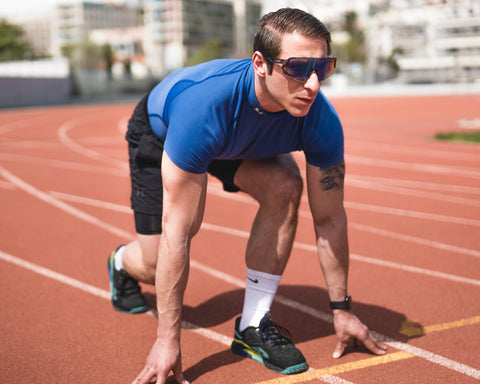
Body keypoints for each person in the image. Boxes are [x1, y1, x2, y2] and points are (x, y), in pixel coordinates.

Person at [107, 7, 387, 384]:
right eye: (298, 68)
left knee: (286, 186)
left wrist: (341, 309)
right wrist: (166, 339)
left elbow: (330, 218)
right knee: (157, 263)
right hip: (168, 132)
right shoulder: (203, 109)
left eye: (323, 68)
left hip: (239, 140)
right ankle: (122, 263)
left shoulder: (319, 118)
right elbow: (179, 232)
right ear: (260, 63)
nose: (313, 84)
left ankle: (253, 326)